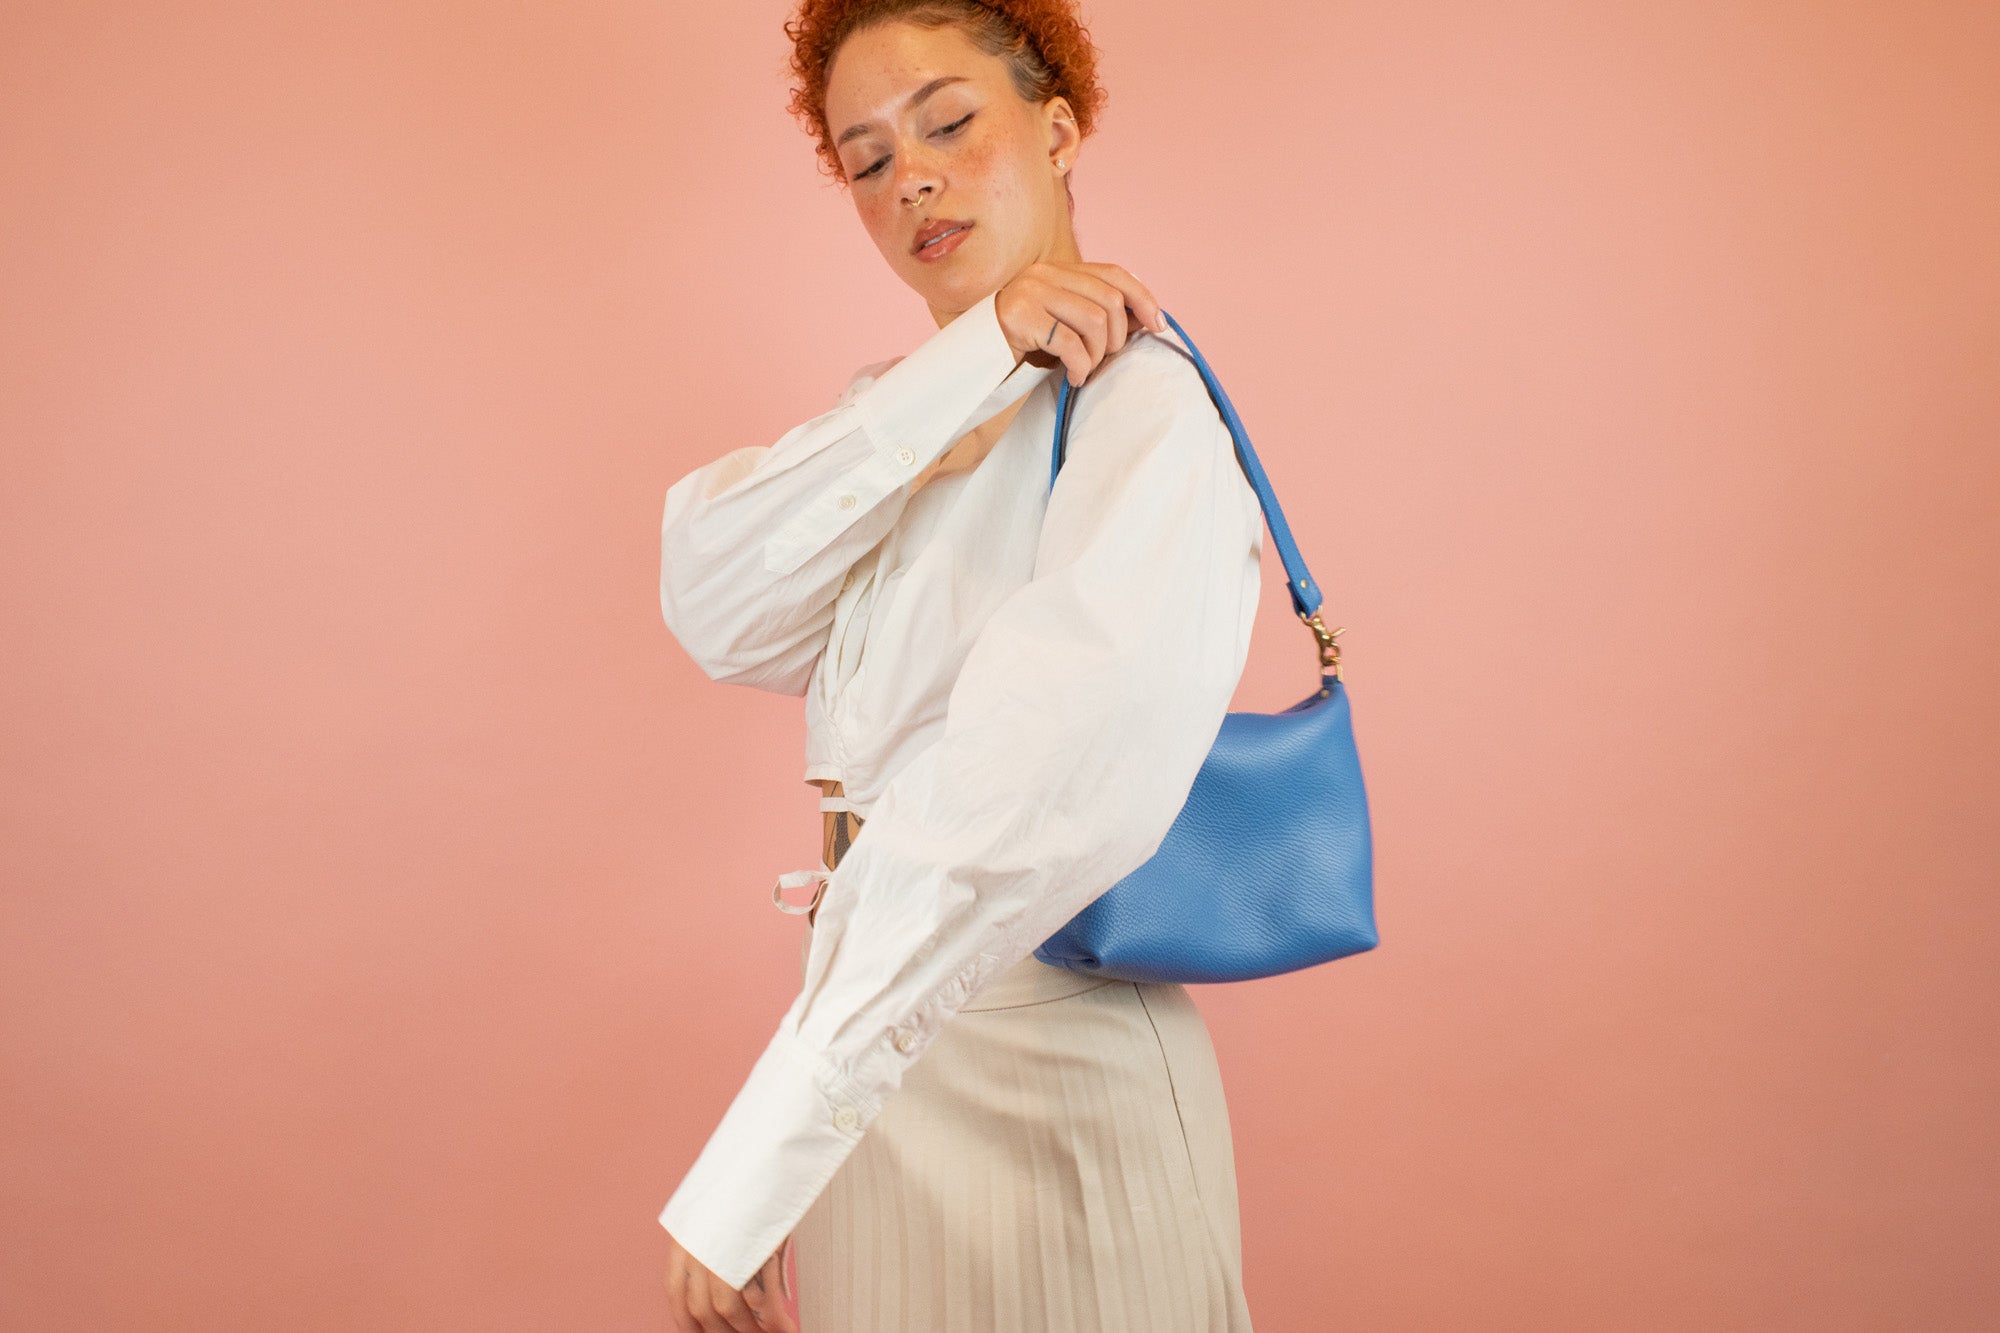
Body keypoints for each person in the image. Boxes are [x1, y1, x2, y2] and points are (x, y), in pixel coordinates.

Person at [656, 2, 1264, 1329]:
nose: (912, 178)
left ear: (1058, 127)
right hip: (888, 1063)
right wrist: (972, 357)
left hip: (1050, 1065)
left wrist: (766, 1151)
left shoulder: (1141, 413)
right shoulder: (913, 412)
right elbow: (714, 600)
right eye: (866, 160)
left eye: (948, 122)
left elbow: (1004, 815)